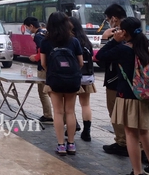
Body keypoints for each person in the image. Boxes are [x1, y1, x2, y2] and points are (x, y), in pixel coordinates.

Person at [95, 17, 149, 175]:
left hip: (129, 97)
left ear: (124, 32)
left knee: (131, 134)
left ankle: (137, 173)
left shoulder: (123, 49)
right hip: (145, 95)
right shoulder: (144, 47)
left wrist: (110, 40)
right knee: (145, 132)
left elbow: (100, 56)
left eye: (119, 29)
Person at [40, 12, 83, 156]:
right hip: (72, 80)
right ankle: (71, 144)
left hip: (55, 80)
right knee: (70, 111)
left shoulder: (46, 41)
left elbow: (43, 63)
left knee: (58, 112)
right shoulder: (74, 41)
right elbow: (81, 63)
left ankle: (61, 145)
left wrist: (53, 72)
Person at [100, 4, 128, 156]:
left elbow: (101, 57)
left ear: (114, 18)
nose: (108, 23)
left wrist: (106, 38)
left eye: (107, 19)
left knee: (115, 112)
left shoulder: (116, 34)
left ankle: (122, 142)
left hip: (114, 80)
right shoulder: (132, 29)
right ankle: (136, 145)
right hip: (130, 81)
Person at [70, 17, 97, 141]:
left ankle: (73, 125)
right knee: (85, 104)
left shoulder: (71, 41)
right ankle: (87, 132)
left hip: (73, 77)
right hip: (87, 77)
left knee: (68, 105)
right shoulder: (86, 41)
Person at [23, 17, 53, 124]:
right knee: (51, 92)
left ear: (31, 26)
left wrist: (35, 57)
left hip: (43, 67)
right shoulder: (45, 32)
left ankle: (48, 115)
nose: (26, 29)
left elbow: (42, 51)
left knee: (43, 92)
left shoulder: (38, 36)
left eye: (26, 27)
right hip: (52, 65)